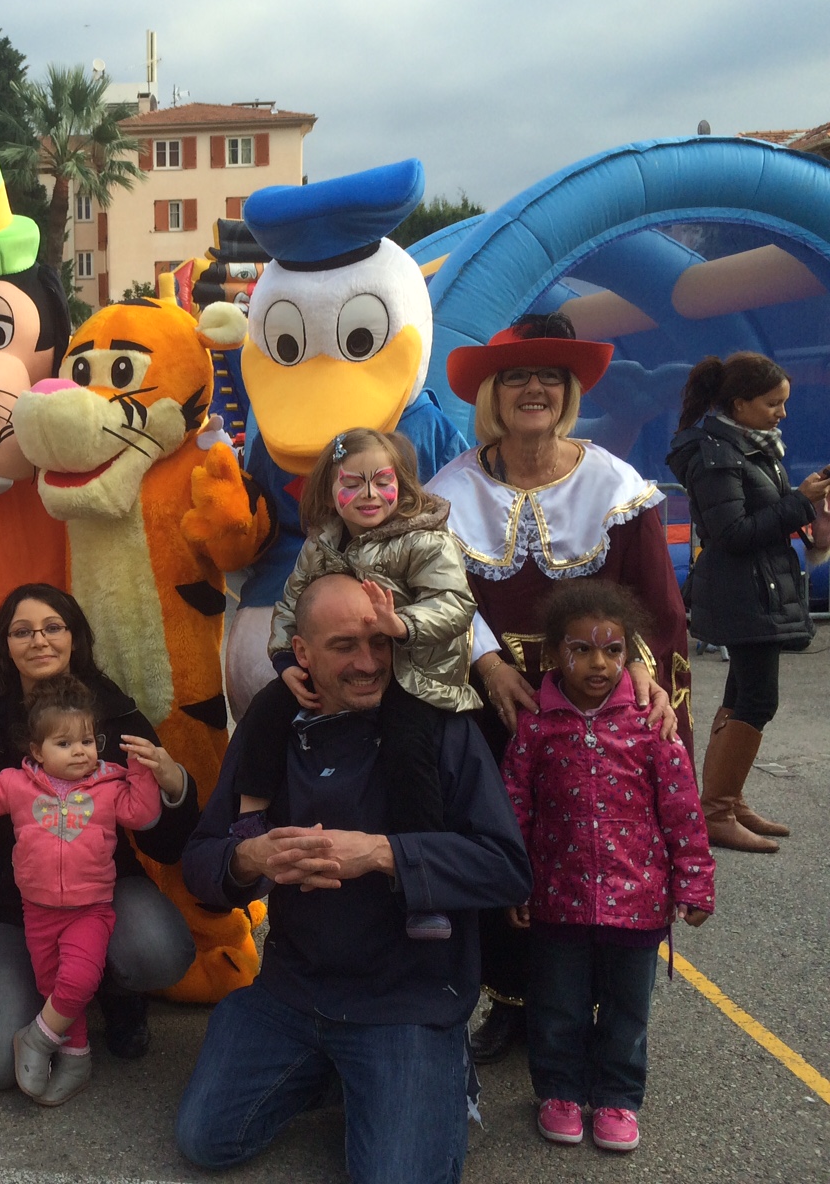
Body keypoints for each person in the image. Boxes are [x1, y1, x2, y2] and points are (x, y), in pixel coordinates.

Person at [175, 573, 531, 1182]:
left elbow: (507, 868)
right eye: (344, 646)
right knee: (204, 1141)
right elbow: (201, 862)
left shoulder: (439, 727)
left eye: (379, 642)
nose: (368, 663)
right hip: (294, 990)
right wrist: (249, 859)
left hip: (405, 1000)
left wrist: (381, 853)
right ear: (301, 652)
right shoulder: (272, 727)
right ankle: (342, 1075)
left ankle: (427, 1071)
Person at [427, 312, 689, 1064]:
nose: (533, 389)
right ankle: (512, 1002)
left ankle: (602, 1006)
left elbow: (656, 603)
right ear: (494, 395)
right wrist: (487, 665)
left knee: (597, 850)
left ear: (569, 393)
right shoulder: (451, 492)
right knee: (502, 847)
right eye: (517, 377)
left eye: (549, 377)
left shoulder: (615, 485)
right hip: (495, 708)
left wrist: (642, 667)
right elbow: (438, 594)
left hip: (597, 708)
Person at [0, 583, 199, 1087]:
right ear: (5, 646)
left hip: (99, 889)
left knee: (159, 950)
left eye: (53, 627)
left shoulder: (112, 711)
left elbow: (162, 841)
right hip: (9, 901)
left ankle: (112, 989)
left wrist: (173, 784)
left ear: (74, 637)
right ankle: (57, 996)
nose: (39, 640)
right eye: (22, 631)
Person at [503, 580, 714, 1153]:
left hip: (638, 902)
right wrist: (514, 882)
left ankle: (618, 1097)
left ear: (628, 652)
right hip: (556, 900)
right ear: (555, 654)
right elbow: (515, 808)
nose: (599, 663)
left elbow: (682, 808)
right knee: (558, 1005)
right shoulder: (535, 726)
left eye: (612, 650)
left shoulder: (651, 722)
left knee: (627, 1011)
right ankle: (560, 1092)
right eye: (582, 649)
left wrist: (694, 882)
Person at [253, 426, 479, 942]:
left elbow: (456, 604)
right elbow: (291, 603)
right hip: (349, 665)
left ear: (402, 482)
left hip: (415, 670)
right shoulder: (324, 541)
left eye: (382, 480)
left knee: (408, 748)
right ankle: (248, 819)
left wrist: (403, 625)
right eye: (353, 483)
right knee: (269, 706)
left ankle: (424, 885)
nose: (370, 495)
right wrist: (286, 657)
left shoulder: (425, 538)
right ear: (330, 488)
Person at [666, 352, 830, 852]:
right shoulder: (716, 454)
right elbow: (732, 533)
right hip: (742, 593)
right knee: (759, 699)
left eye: (784, 402)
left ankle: (726, 801)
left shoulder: (750, 446)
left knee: (741, 695)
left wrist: (808, 507)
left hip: (756, 589)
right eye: (772, 403)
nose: (782, 412)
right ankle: (716, 810)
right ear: (739, 404)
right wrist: (800, 501)